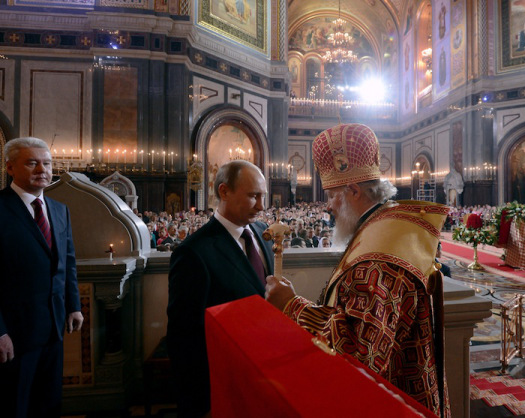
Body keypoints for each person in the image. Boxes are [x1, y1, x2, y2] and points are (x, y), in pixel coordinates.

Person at [266, 123, 451, 417]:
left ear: (352, 190)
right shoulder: (383, 229)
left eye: (331, 195)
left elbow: (361, 353)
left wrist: (291, 306)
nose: (328, 207)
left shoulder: (380, 257)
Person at [167, 160, 274, 417]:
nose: (261, 206)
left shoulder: (263, 233)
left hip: (264, 372)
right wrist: (200, 404)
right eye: (253, 196)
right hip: (224, 382)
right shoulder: (194, 252)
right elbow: (184, 337)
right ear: (224, 191)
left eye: (263, 196)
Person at [0, 137, 84, 418]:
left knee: (48, 404)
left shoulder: (59, 209)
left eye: (47, 164)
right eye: (32, 163)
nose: (42, 170)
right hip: (14, 333)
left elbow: (67, 262)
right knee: (15, 406)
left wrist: (73, 305)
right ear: (10, 167)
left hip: (53, 327)